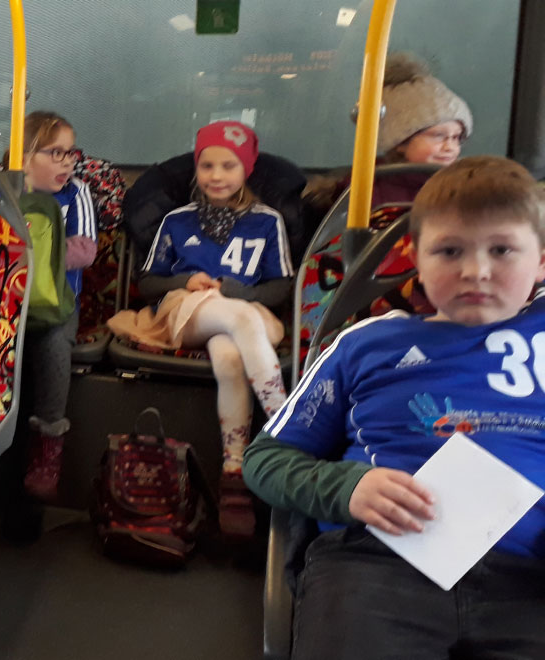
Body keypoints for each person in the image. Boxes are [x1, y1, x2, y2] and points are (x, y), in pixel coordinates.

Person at [244, 155, 545, 659]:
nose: (476, 271)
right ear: (417, 261)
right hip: (379, 561)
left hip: (530, 575)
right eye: (449, 250)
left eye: (502, 250)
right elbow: (265, 458)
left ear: (540, 261)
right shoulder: (366, 344)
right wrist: (347, 488)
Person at [108, 120, 293, 540]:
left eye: (228, 166)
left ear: (246, 169)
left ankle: (234, 472)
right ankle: (288, 428)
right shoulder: (177, 220)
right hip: (184, 311)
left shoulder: (267, 222)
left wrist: (236, 291)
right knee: (238, 319)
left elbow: (280, 286)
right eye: (207, 165)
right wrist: (185, 281)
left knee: (229, 355)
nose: (216, 175)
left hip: (246, 311)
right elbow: (148, 283)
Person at [0, 110, 98, 503]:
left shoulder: (76, 194)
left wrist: (37, 253)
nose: (67, 163)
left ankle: (49, 442)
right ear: (24, 156)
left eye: (71, 154)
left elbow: (86, 250)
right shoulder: (0, 188)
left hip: (57, 303)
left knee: (53, 345)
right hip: (4, 303)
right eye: (56, 153)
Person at [304, 52, 473, 214]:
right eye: (438, 136)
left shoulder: (467, 187)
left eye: (456, 137)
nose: (450, 147)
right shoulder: (368, 190)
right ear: (400, 142)